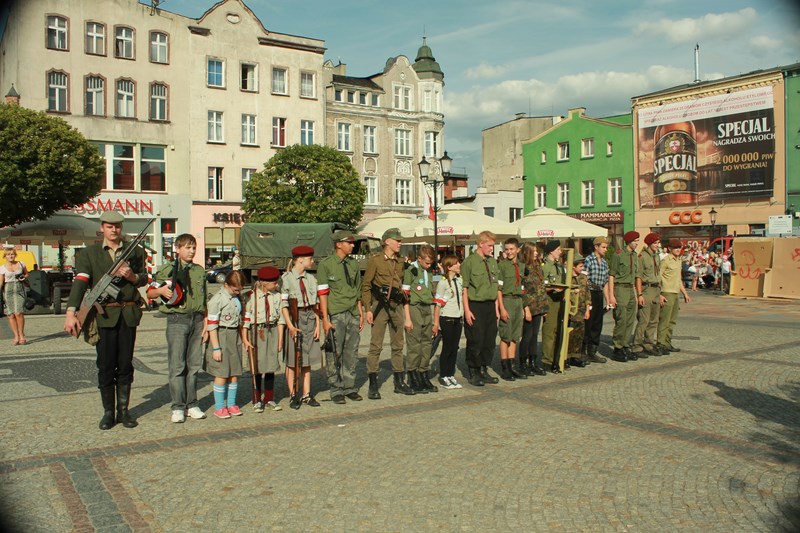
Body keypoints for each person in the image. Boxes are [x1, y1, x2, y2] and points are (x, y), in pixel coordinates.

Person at [64, 211, 147, 430]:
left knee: (125, 364)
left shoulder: (136, 251)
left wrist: (132, 277)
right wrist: (71, 312)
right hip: (104, 316)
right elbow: (80, 283)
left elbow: (144, 278)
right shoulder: (89, 253)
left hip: (127, 314)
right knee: (106, 365)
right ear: (102, 227)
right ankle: (108, 413)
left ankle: (124, 411)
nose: (114, 230)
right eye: (109, 226)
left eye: (117, 226)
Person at [146, 233, 209, 423]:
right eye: (188, 247)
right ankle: (178, 406)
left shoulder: (199, 271)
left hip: (197, 319)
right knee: (177, 365)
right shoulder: (167, 270)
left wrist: (206, 321)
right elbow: (150, 292)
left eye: (194, 247)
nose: (192, 251)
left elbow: (204, 298)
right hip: (177, 319)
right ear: (177, 249)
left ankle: (192, 404)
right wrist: (161, 291)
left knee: (194, 365)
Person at [361, 228, 414, 398]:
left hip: (396, 306)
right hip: (380, 307)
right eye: (397, 240)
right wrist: (368, 309)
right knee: (376, 345)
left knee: (398, 345)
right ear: (387, 242)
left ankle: (399, 382)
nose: (400, 243)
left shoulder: (400, 261)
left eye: (400, 240)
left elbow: (403, 284)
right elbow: (366, 286)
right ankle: (373, 384)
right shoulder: (375, 260)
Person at [317, 230, 364, 405]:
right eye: (349, 242)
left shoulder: (353, 264)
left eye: (353, 242)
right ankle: (336, 389)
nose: (352, 245)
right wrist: (325, 319)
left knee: (351, 352)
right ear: (338, 244)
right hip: (336, 313)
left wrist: (359, 312)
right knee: (334, 352)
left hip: (352, 312)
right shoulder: (326, 265)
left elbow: (357, 290)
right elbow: (323, 293)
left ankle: (349, 387)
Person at [281, 245, 323, 409]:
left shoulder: (311, 279)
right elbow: (283, 305)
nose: (312, 261)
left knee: (307, 359)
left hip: (310, 317)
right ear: (300, 260)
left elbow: (316, 304)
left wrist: (318, 325)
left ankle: (306, 394)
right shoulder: (286, 279)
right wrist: (290, 326)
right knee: (292, 360)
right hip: (294, 318)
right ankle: (293, 394)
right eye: (310, 258)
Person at [205, 270, 247, 419]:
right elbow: (212, 326)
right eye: (235, 290)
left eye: (239, 290)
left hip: (234, 335)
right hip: (221, 335)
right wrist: (216, 348)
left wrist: (243, 339)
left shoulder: (236, 297)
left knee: (234, 372)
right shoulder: (217, 300)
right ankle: (219, 407)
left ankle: (231, 403)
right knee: (222, 373)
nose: (237, 292)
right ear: (226, 285)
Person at [461, 231, 501, 386]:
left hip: (490, 305)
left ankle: (484, 369)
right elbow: (464, 288)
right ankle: (474, 371)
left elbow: (495, 286)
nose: (492, 248)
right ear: (481, 244)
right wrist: (467, 310)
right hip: (475, 305)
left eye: (493, 246)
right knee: (475, 340)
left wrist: (496, 309)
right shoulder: (469, 262)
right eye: (489, 245)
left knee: (489, 340)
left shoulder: (492, 262)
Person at [243, 266, 284, 412]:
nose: (277, 284)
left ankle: (269, 398)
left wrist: (280, 340)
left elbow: (281, 319)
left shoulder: (277, 296)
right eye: (274, 282)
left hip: (272, 330)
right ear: (265, 283)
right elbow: (246, 321)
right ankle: (256, 399)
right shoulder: (251, 297)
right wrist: (245, 339)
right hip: (257, 331)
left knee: (271, 365)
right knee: (257, 366)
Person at [402, 245, 438, 393]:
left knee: (426, 342)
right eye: (427, 263)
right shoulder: (411, 271)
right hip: (414, 307)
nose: (429, 265)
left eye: (431, 263)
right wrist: (407, 318)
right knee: (414, 343)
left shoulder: (428, 271)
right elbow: (405, 294)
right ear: (419, 259)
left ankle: (423, 373)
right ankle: (413, 375)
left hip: (426, 307)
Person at [496, 238, 527, 381]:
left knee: (515, 335)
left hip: (518, 301)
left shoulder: (521, 266)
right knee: (505, 335)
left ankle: (513, 366)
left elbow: (522, 287)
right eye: (506, 249)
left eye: (511, 249)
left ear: (518, 250)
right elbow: (499, 289)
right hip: (507, 300)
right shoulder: (502, 266)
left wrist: (523, 307)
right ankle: (505, 368)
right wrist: (501, 308)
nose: (508, 252)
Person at [433, 254, 464, 390]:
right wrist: (435, 323)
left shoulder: (459, 279)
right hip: (447, 318)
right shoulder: (443, 283)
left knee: (454, 347)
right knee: (447, 347)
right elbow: (437, 305)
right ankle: (444, 375)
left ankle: (450, 374)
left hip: (458, 318)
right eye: (456, 263)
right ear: (449, 267)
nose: (459, 265)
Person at [656, 238, 692, 355]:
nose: (677, 250)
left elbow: (678, 279)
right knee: (664, 320)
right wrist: (659, 294)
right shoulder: (666, 260)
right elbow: (658, 277)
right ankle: (660, 344)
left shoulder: (678, 260)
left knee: (672, 321)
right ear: (670, 249)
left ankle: (667, 343)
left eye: (679, 248)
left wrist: (685, 293)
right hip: (667, 292)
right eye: (675, 248)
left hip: (675, 293)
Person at [609, 231, 640, 362]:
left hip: (630, 289)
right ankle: (618, 348)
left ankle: (625, 345)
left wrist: (637, 294)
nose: (637, 243)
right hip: (620, 288)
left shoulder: (635, 255)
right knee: (621, 319)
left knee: (630, 320)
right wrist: (611, 295)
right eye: (635, 241)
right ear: (629, 241)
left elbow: (636, 275)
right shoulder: (618, 255)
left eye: (638, 241)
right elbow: (612, 275)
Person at [519, 242, 549, 376]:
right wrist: (525, 308)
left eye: (537, 251)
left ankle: (533, 362)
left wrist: (544, 307)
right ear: (527, 252)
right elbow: (522, 289)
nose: (537, 253)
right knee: (527, 336)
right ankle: (522, 363)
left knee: (534, 336)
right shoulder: (523, 267)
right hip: (529, 306)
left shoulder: (537, 266)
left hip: (538, 306)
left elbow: (541, 288)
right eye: (534, 251)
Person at [632, 233, 662, 358]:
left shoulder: (657, 256)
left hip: (656, 289)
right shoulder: (642, 257)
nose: (657, 245)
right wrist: (639, 294)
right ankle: (637, 346)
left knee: (654, 320)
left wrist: (660, 293)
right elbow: (638, 277)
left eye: (658, 243)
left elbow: (658, 274)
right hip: (646, 289)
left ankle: (648, 344)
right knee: (644, 320)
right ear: (649, 243)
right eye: (655, 243)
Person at [582, 237, 610, 364]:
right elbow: (584, 279)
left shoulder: (604, 263)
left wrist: (608, 300)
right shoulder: (589, 260)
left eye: (606, 247)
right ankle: (583, 351)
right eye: (603, 247)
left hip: (599, 293)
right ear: (596, 247)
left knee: (598, 323)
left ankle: (592, 351)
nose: (605, 249)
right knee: (588, 322)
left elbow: (605, 283)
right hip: (590, 292)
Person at [540, 240, 566, 373]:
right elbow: (541, 286)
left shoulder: (559, 266)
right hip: (549, 299)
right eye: (558, 250)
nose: (560, 252)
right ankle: (547, 360)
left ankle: (556, 358)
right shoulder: (545, 266)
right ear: (551, 251)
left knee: (558, 330)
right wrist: (553, 288)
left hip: (559, 299)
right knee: (549, 331)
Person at [567, 253, 591, 367]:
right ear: (573, 266)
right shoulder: (568, 278)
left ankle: (576, 356)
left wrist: (587, 309)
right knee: (570, 334)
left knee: (579, 334)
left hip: (581, 310)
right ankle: (567, 357)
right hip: (571, 310)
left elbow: (587, 294)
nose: (582, 268)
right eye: (580, 266)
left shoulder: (583, 278)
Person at [1, 246, 28, 345]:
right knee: (11, 314)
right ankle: (16, 336)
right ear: (5, 256)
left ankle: (21, 335)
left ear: (15, 255)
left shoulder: (21, 264)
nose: (11, 256)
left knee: (18, 313)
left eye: (12, 254)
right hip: (8, 290)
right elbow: (1, 282)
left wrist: (23, 277)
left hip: (19, 289)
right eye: (8, 254)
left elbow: (27, 274)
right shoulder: (2, 268)